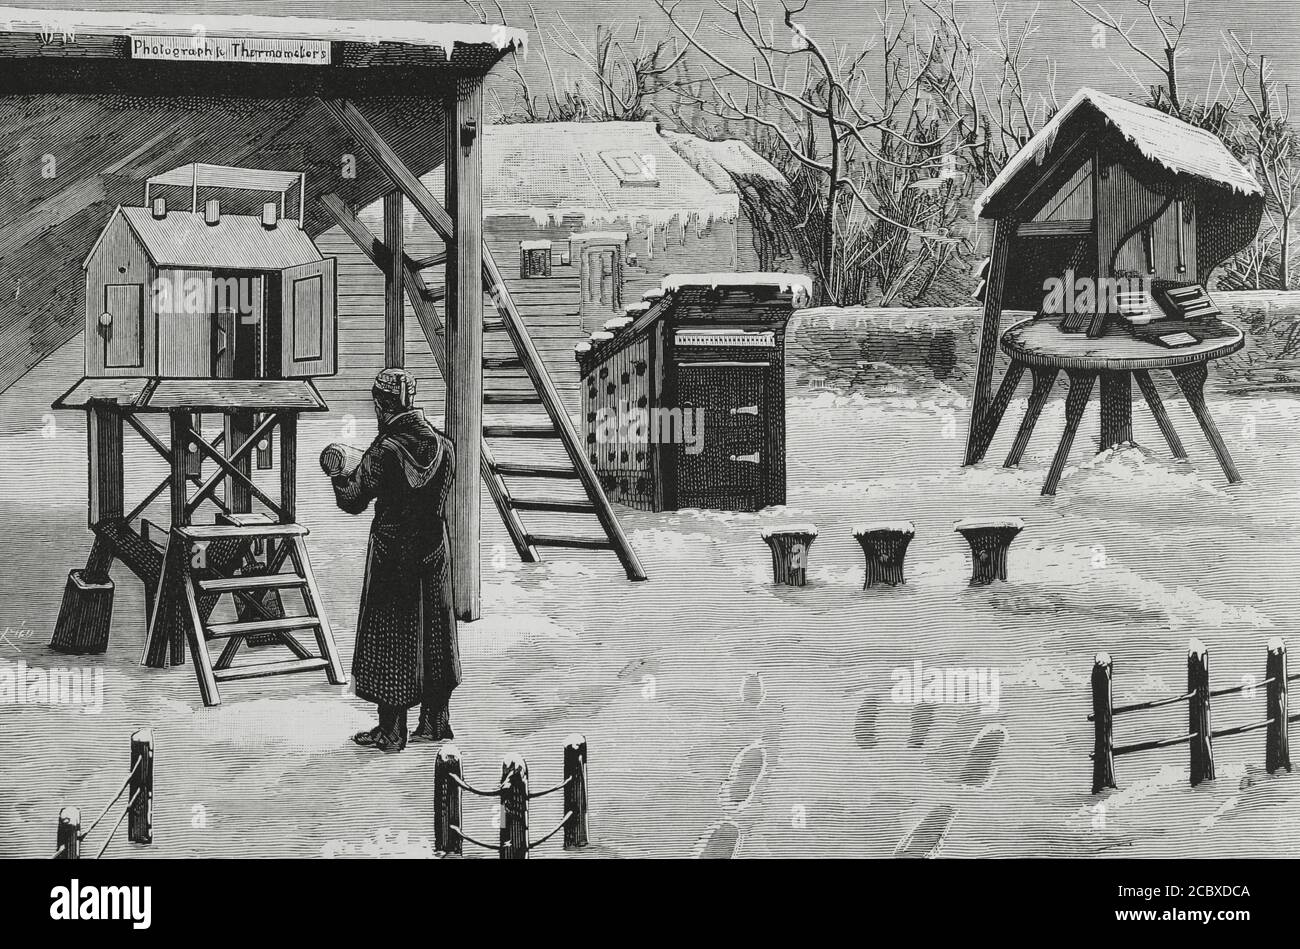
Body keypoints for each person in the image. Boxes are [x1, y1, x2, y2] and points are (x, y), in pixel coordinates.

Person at [328, 368, 461, 752]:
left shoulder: (384, 449)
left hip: (392, 550)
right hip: (433, 546)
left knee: (389, 635)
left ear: (380, 404)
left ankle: (391, 730)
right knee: (434, 631)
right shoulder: (443, 446)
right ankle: (436, 721)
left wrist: (336, 471)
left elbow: (352, 499)